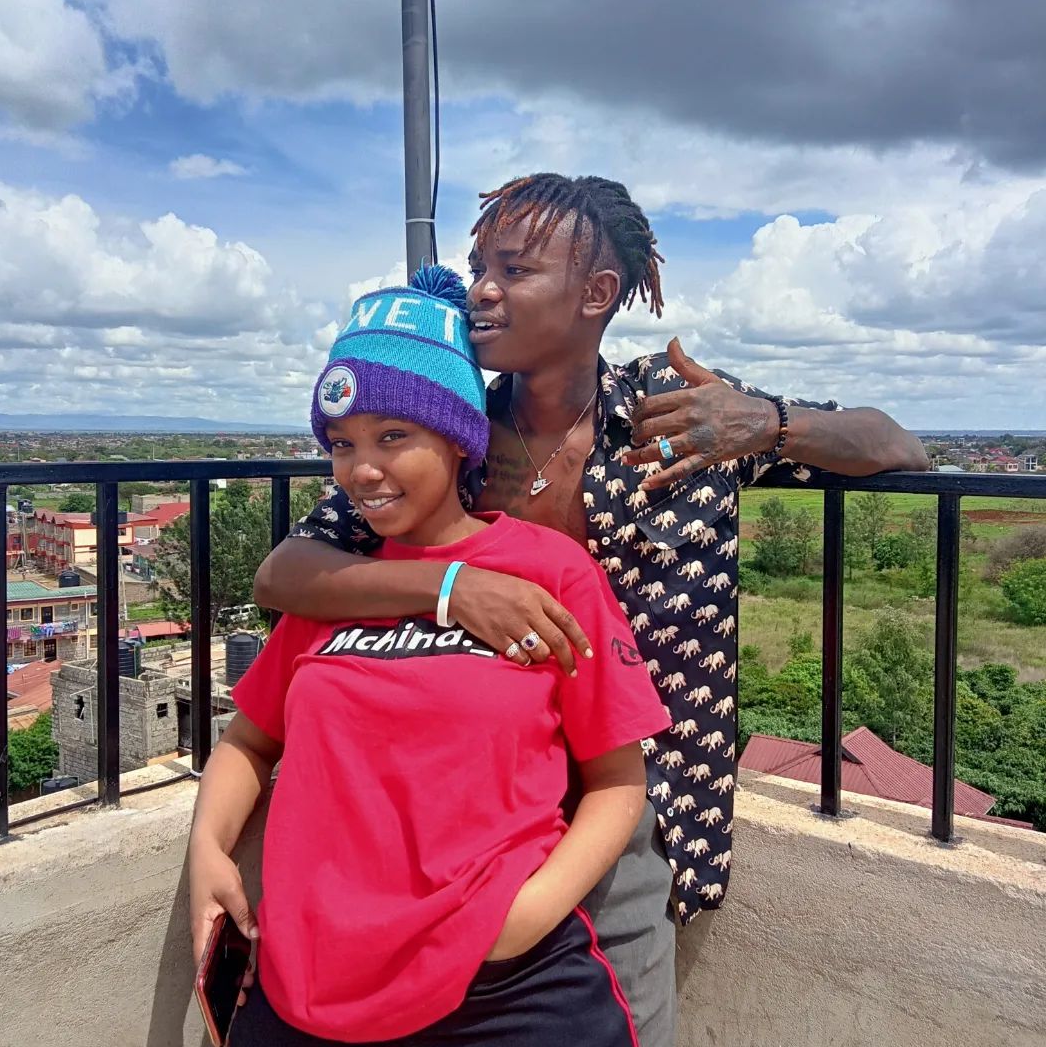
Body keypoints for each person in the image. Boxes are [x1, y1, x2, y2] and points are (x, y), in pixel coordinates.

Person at [255, 173, 930, 1047]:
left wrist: (766, 422)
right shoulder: (446, 430)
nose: (480, 291)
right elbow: (288, 573)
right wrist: (452, 589)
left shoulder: (679, 416)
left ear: (597, 292)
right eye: (478, 267)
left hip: (631, 804)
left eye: (514, 270)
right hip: (464, 813)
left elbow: (896, 444)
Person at [189, 264, 669, 1046]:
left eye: (393, 437)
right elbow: (248, 740)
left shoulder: (550, 574)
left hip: (508, 990)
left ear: (456, 438)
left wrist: (523, 919)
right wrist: (207, 852)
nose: (362, 470)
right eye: (341, 444)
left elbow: (617, 779)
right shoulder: (338, 587)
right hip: (308, 985)